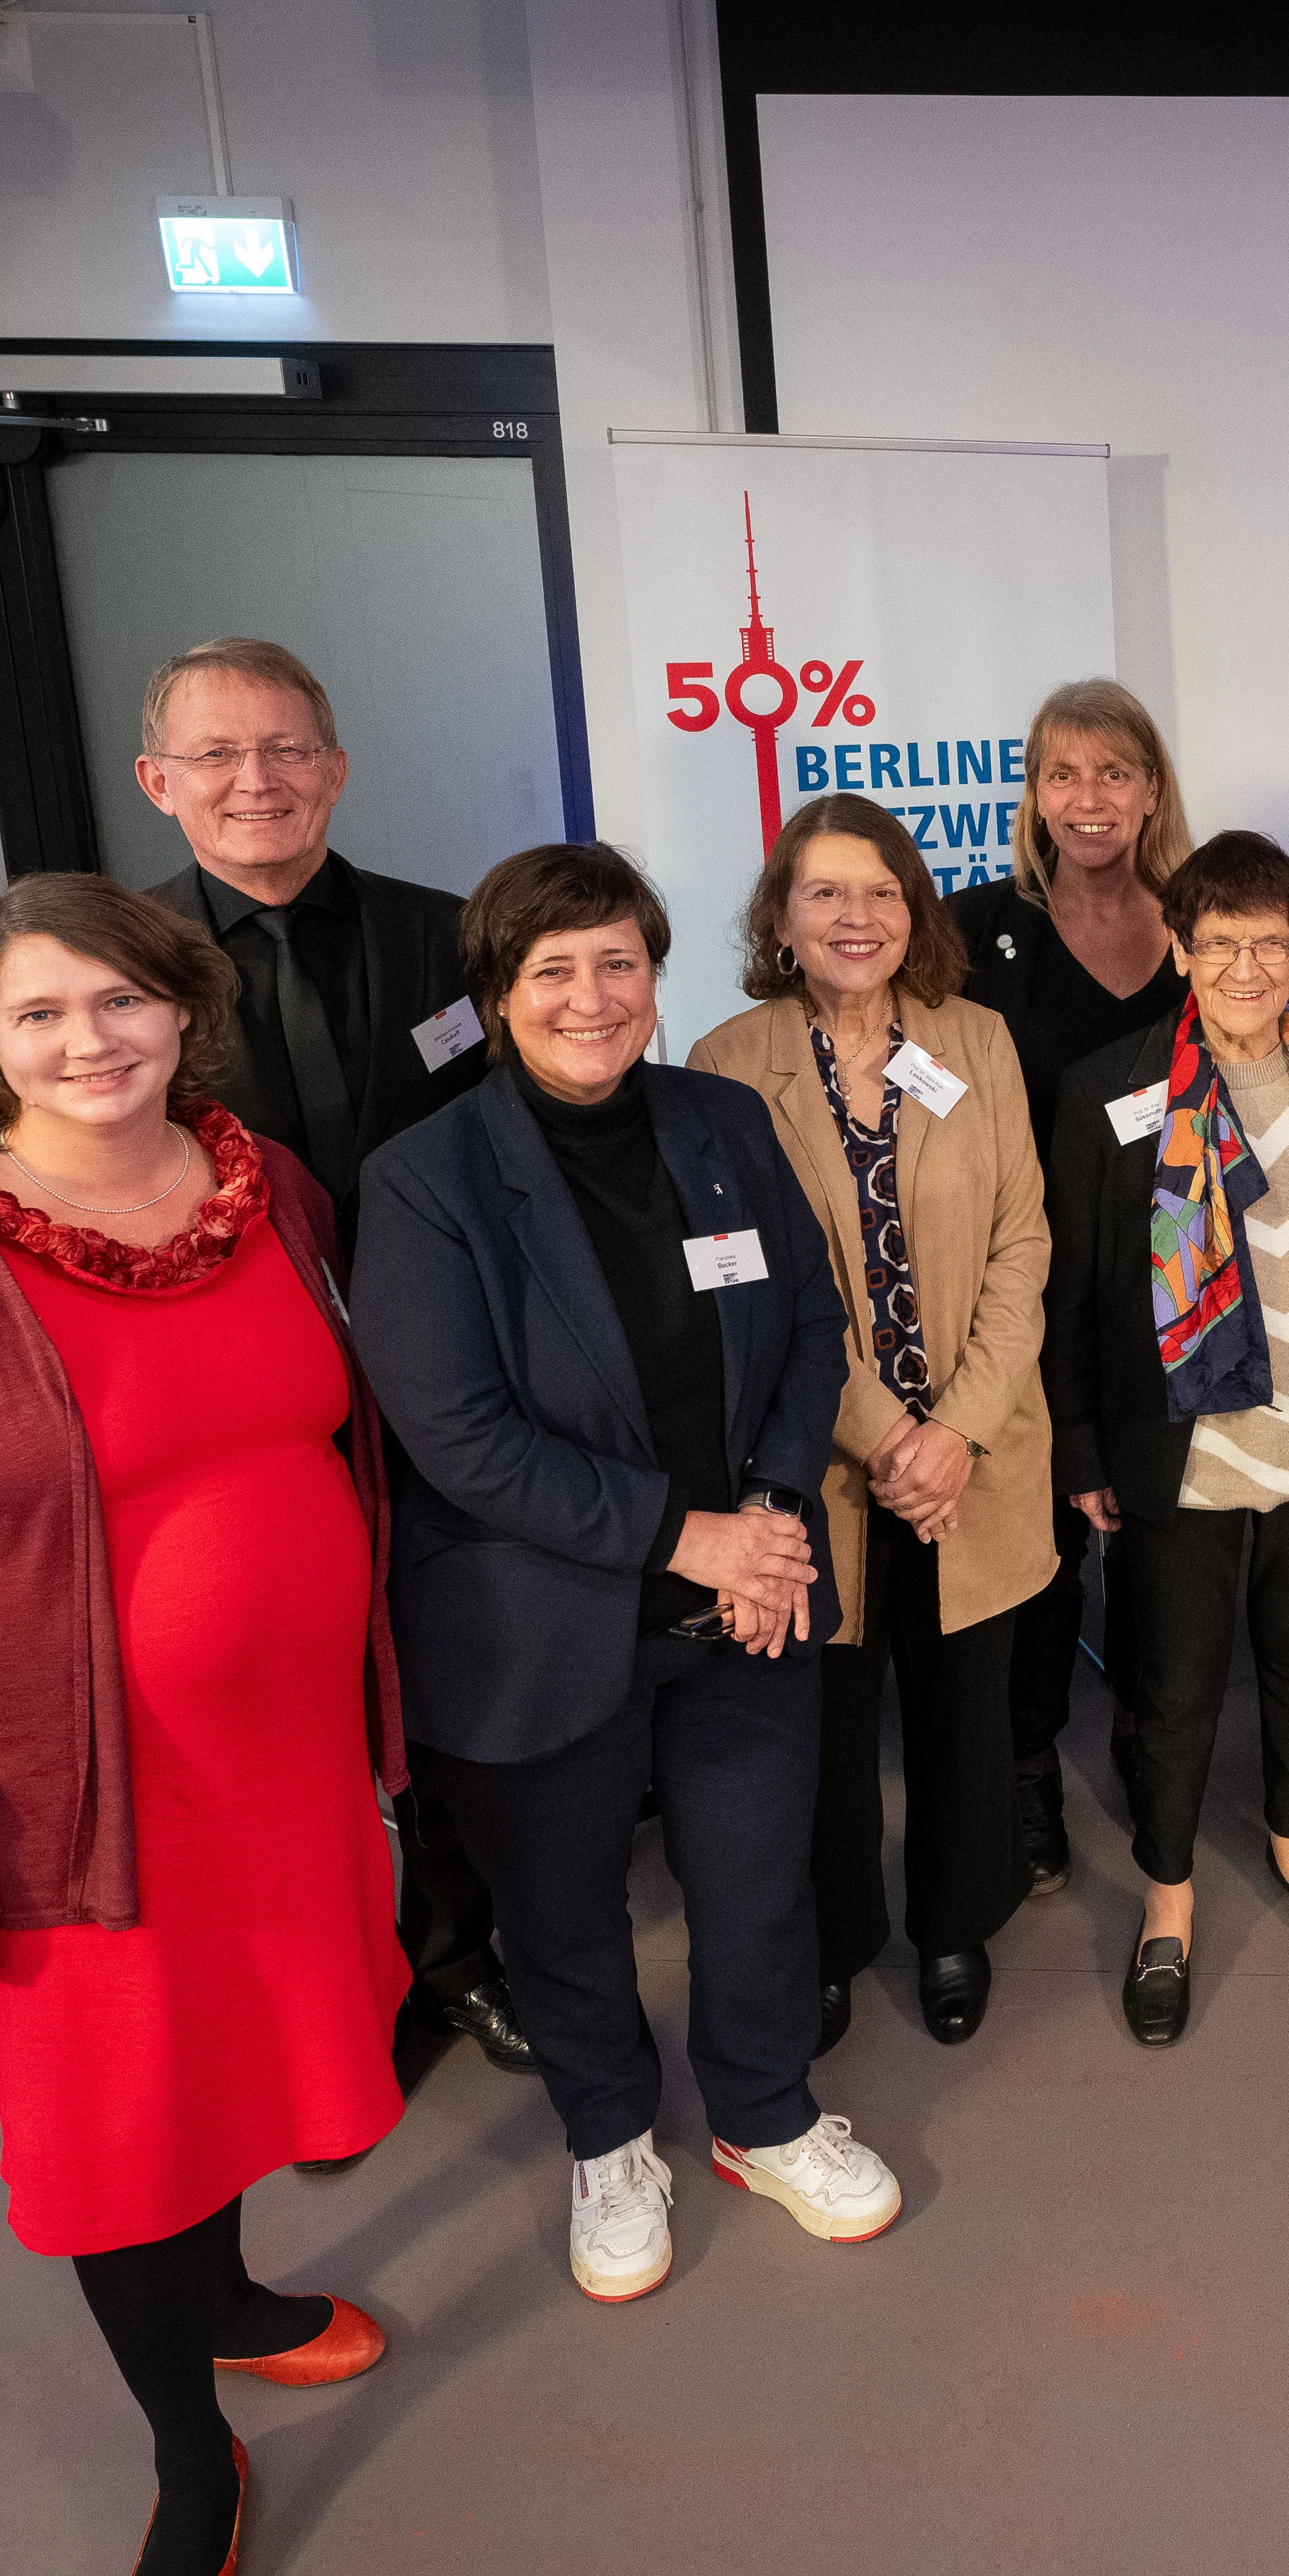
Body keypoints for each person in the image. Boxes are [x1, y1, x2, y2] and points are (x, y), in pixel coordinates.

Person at [0, 875, 407, 2576]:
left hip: (279, 1762)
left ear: (178, 1012)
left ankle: (223, 2300)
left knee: (230, 2058)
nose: (90, 1041)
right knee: (115, 2121)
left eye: (121, 1003)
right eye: (41, 1015)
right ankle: (185, 2456)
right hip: (67, 1791)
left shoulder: (261, 1187)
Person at [351, 844, 899, 2307]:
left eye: (618, 964)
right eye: (553, 972)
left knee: (756, 1882)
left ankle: (766, 2113)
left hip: (748, 1602)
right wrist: (688, 1533)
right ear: (496, 996)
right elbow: (459, 1433)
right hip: (536, 1624)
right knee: (563, 1909)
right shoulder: (425, 1179)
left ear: (656, 977)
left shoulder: (721, 1121)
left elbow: (806, 1330)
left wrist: (774, 1517)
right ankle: (608, 2137)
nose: (591, 999)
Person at [130, 635, 531, 2086]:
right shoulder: (127, 977)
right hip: (242, 1401)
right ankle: (333, 1974)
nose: (258, 781)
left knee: (448, 1666)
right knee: (282, 1695)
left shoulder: (457, 938)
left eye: (288, 749)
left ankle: (464, 1950)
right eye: (220, 755)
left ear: (338, 768)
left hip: (455, 1382)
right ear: (157, 779)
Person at [688, 794, 1057, 2049]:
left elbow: (1024, 1244)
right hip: (818, 1463)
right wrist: (890, 1436)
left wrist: (955, 1430)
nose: (858, 916)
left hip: (978, 1452)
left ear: (917, 910)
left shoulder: (981, 1042)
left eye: (883, 891)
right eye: (827, 893)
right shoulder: (728, 1064)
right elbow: (746, 1284)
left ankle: (955, 1922)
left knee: (969, 1704)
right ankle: (837, 1940)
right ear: (781, 918)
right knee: (826, 1724)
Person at [1041, 830, 1289, 2046]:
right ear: (1180, 950)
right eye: (1218, 942)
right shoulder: (1110, 1090)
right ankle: (1169, 1893)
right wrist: (1082, 1448)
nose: (1245, 964)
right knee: (1176, 1685)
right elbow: (1078, 1293)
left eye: (1270, 940)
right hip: (1181, 1449)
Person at [943, 679, 1195, 1901]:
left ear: (1153, 788)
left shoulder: (1203, 925)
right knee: (1035, 1542)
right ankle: (1029, 1759)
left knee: (1161, 1529)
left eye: (1113, 772)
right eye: (1061, 773)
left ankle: (1157, 1740)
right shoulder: (971, 929)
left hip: (1173, 1282)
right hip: (1022, 1283)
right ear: (1032, 794)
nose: (1088, 798)